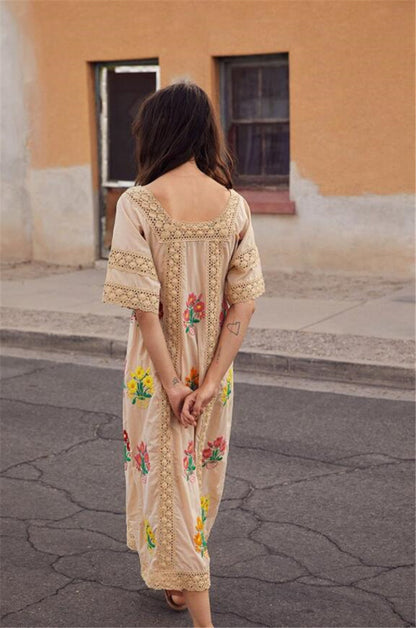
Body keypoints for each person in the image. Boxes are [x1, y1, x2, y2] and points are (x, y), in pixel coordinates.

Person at [102, 79, 266, 628]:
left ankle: (202, 616)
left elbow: (143, 309)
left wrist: (173, 384)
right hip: (214, 375)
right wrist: (213, 378)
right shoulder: (233, 204)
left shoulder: (139, 202)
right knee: (196, 477)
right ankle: (176, 584)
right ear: (204, 131)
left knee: (171, 483)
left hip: (158, 374)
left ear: (156, 131)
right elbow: (243, 303)